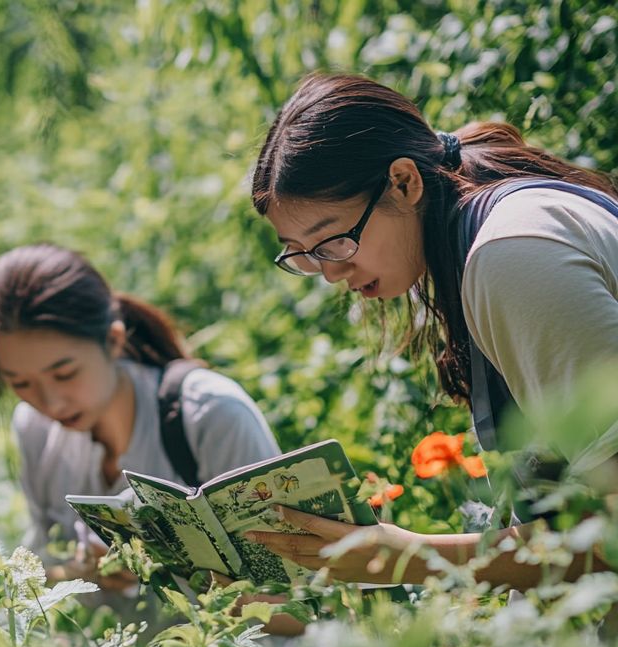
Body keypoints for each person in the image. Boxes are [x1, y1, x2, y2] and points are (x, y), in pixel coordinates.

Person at [245, 72, 618, 588]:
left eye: (333, 241)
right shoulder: (489, 238)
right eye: (304, 255)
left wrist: (412, 557)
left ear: (404, 182)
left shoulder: (512, 256)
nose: (330, 271)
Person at [0, 244, 279, 584]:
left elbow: (296, 602)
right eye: (20, 383)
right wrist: (81, 575)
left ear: (114, 340)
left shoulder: (213, 415)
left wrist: (161, 570)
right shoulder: (34, 427)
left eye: (65, 375)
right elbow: (40, 572)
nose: (51, 403)